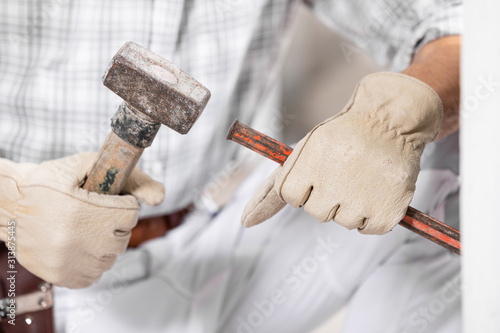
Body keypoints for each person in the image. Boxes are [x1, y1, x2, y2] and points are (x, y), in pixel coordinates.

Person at [0, 0, 462, 332]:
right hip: (19, 276)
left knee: (455, 160)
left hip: (199, 238)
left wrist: (398, 115)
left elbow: (459, 21)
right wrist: (11, 203)